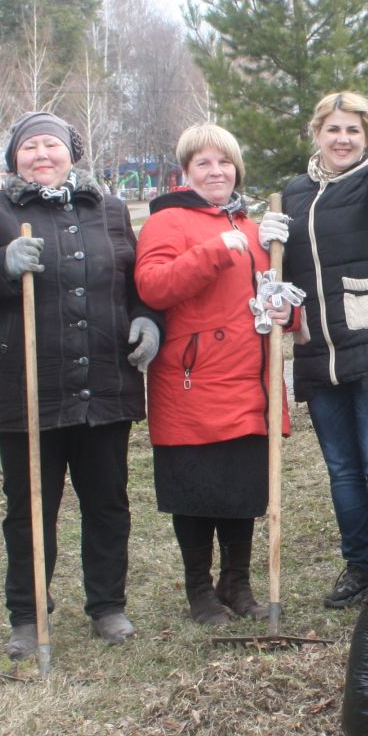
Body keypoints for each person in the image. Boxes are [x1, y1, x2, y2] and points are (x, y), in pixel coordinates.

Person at [0, 112, 162, 656]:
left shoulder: (108, 210)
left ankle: (108, 606)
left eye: (52, 145)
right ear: (14, 158)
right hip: (28, 388)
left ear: (72, 153)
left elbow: (133, 277)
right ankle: (28, 612)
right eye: (30, 147)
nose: (42, 154)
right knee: (30, 507)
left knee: (107, 503)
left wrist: (146, 317)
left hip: (104, 384)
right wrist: (0, 263)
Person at [133, 124, 298, 625]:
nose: (216, 171)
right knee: (197, 490)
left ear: (237, 170)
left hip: (249, 379)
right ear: (185, 172)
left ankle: (237, 581)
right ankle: (199, 590)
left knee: (242, 487)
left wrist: (288, 309)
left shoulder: (253, 227)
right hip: (193, 379)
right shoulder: (168, 222)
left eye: (224, 163)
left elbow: (266, 302)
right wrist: (212, 251)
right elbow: (153, 286)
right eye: (203, 163)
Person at [278, 87, 368, 609]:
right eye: (333, 129)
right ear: (316, 133)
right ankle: (358, 566)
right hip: (318, 347)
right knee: (341, 467)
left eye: (353, 130)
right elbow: (286, 277)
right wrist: (268, 243)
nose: (343, 138)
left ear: (366, 137)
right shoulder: (293, 193)